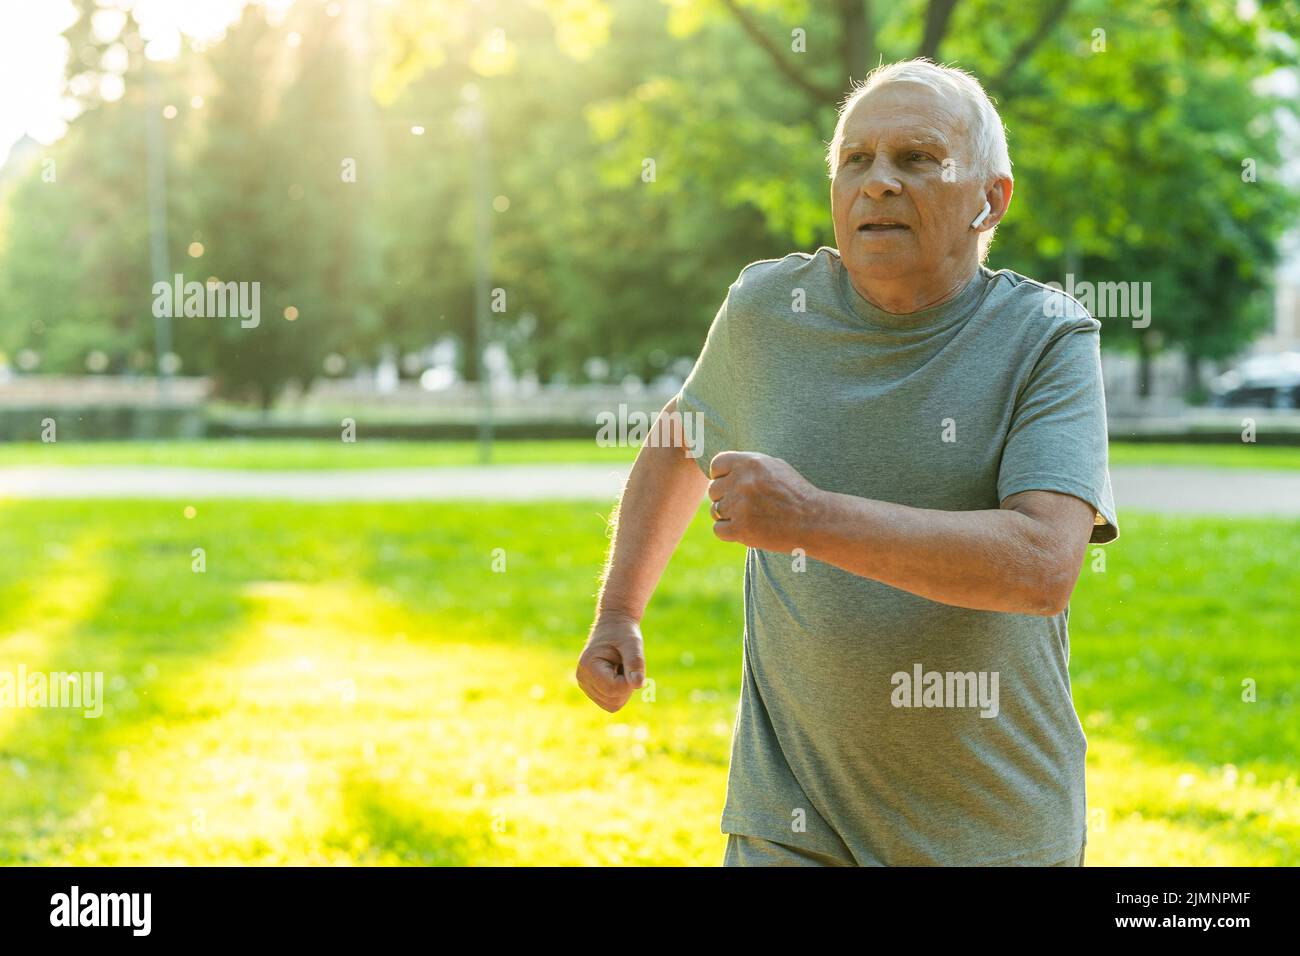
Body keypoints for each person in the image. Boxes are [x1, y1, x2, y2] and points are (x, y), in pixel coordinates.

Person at [575, 58, 1118, 867]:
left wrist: (810, 520)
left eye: (918, 159)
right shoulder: (767, 311)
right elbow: (678, 437)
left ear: (991, 198)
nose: (878, 184)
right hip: (790, 819)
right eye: (855, 160)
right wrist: (619, 608)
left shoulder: (1047, 337)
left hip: (990, 830)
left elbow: (1040, 568)